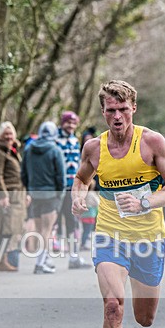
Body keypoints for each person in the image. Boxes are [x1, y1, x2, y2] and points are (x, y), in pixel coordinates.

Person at [71, 80, 165, 328]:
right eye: (111, 110)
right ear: (103, 112)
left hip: (149, 239)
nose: (117, 116)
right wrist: (78, 198)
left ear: (133, 108)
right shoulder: (94, 147)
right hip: (110, 235)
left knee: (144, 318)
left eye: (123, 109)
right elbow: (81, 178)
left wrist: (145, 202)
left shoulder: (151, 142)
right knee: (112, 308)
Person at [21, 121, 65, 274]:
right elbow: (61, 176)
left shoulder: (28, 149)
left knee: (40, 230)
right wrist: (60, 194)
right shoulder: (55, 150)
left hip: (35, 194)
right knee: (47, 230)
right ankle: (40, 264)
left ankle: (46, 260)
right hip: (51, 195)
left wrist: (29, 190)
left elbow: (24, 173)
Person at [56, 111, 91, 269]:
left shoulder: (74, 141)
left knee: (73, 223)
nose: (70, 126)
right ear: (62, 123)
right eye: (68, 122)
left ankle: (74, 257)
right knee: (53, 224)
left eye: (73, 123)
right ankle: (45, 259)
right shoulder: (55, 140)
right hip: (57, 188)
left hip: (72, 188)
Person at [0, 121, 26, 272]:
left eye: (11, 133)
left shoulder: (13, 152)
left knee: (13, 229)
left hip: (18, 195)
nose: (9, 136)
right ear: (0, 136)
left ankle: (3, 259)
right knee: (6, 229)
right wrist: (3, 195)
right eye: (5, 134)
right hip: (8, 195)